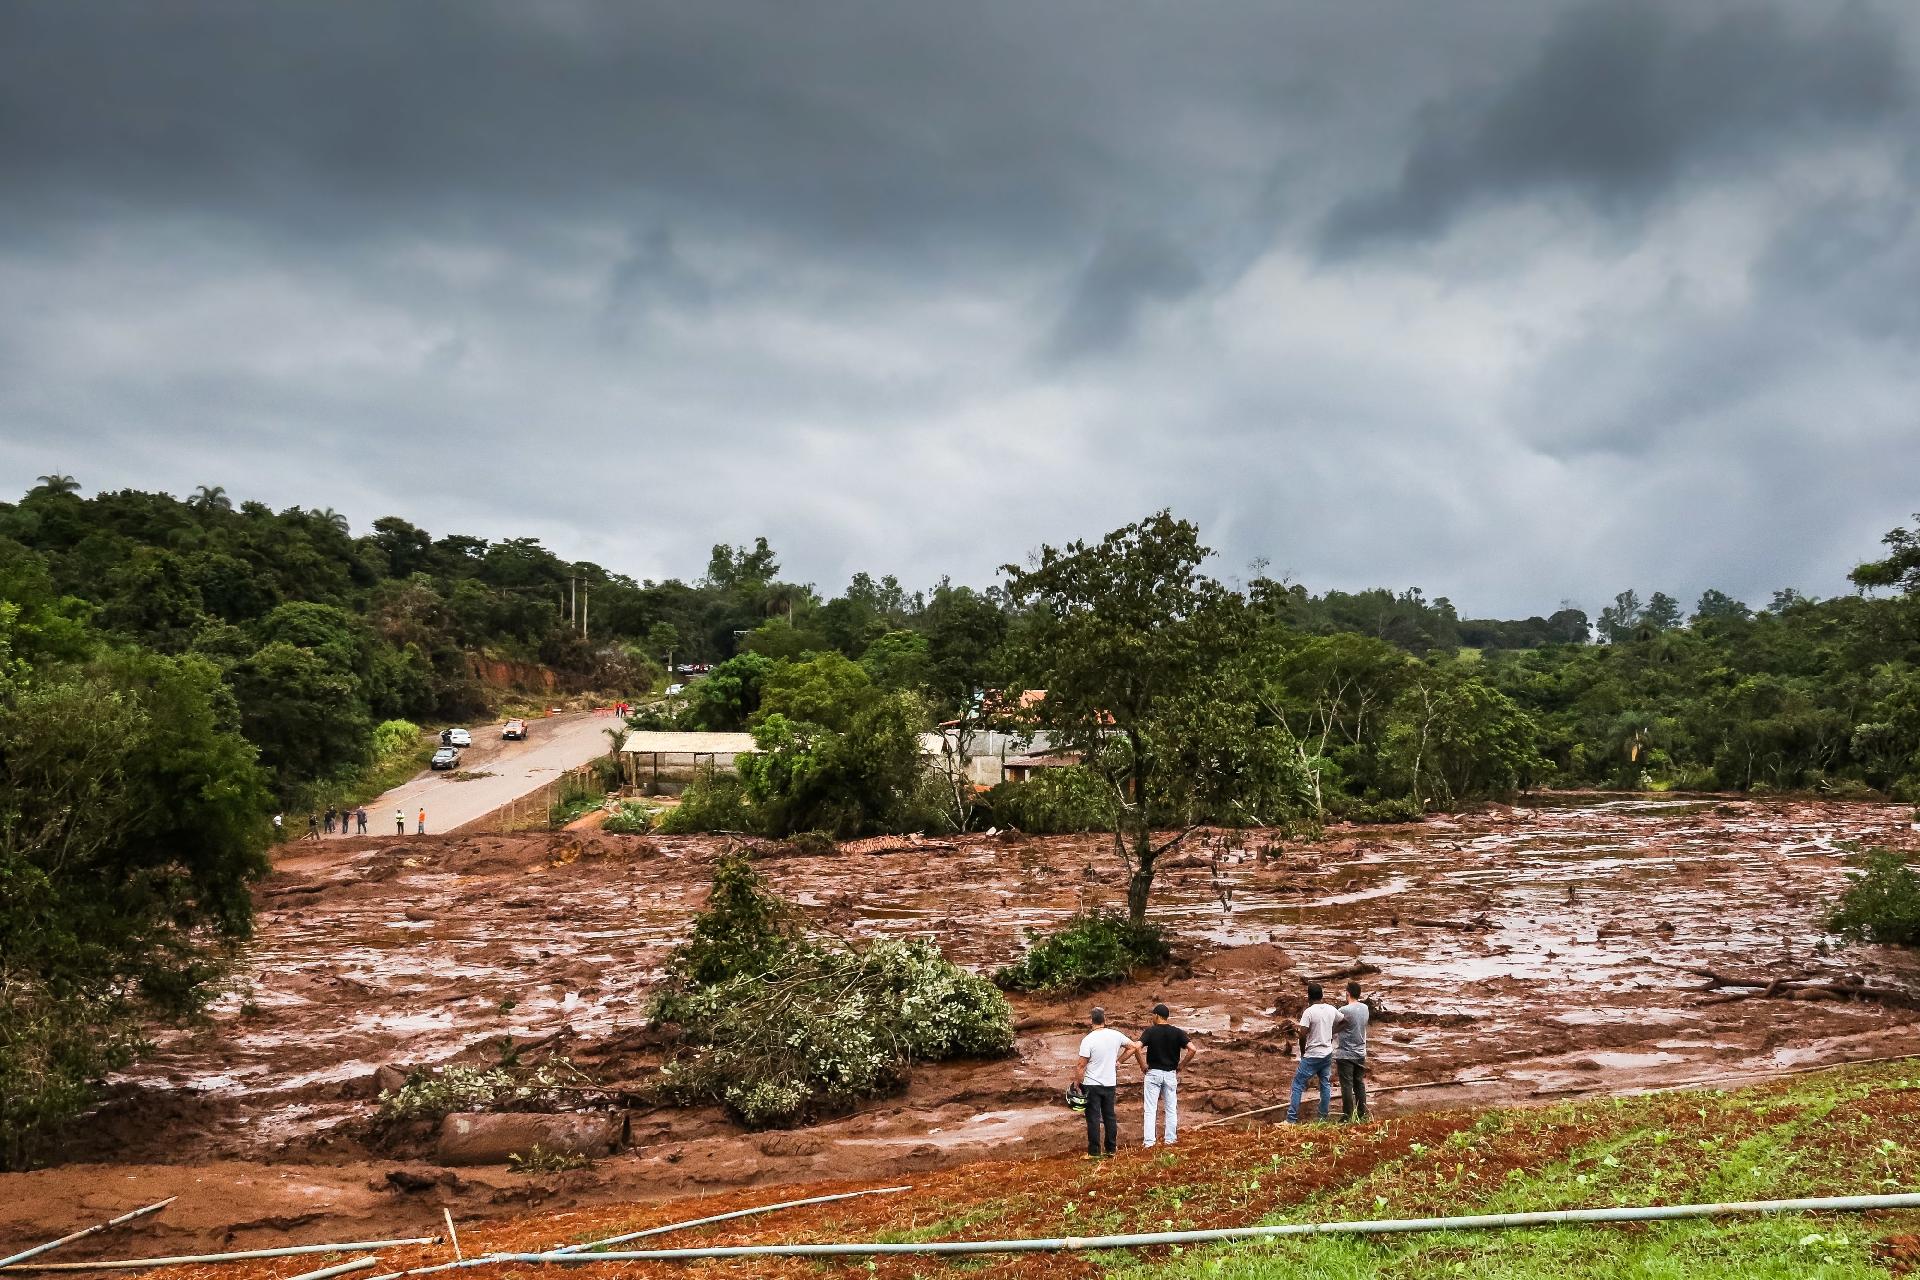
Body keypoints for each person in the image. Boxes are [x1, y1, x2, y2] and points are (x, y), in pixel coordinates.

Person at [1067, 1007, 1139, 1158]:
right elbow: (1133, 1047)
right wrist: (1119, 1061)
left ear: (1091, 1021)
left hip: (1092, 1084)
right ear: (1105, 1020)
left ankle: (1094, 1152)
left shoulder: (1088, 1039)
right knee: (1109, 1116)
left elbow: (1081, 1065)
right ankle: (1111, 1149)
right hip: (1110, 1083)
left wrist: (1076, 1084)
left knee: (1093, 1118)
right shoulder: (1115, 1035)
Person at [1136, 1003, 1195, 1148]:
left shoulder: (1150, 1031)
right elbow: (1192, 1049)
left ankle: (1149, 1142)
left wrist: (1142, 1064)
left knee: (1150, 1109)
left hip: (1153, 1073)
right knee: (1170, 1108)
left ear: (1156, 1015)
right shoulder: (1177, 1032)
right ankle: (1170, 1140)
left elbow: (1136, 1047)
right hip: (1170, 1074)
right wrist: (1181, 1065)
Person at [1287, 983, 1338, 1123]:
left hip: (1312, 1054)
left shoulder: (1309, 1012)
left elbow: (1302, 1034)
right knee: (1325, 1084)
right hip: (1327, 1053)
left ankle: (1291, 1119)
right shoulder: (1330, 1009)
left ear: (1308, 996)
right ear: (1322, 995)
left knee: (1298, 1084)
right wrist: (1332, 1033)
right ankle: (1322, 1117)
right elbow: (1343, 1020)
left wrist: (1303, 1052)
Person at [1334, 980, 1370, 1122]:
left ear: (1347, 993)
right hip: (1360, 1051)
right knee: (1359, 1083)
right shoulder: (1365, 1008)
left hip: (1345, 1053)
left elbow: (1335, 1026)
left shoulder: (1344, 1011)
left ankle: (1347, 1115)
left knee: (1347, 1085)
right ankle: (1362, 1113)